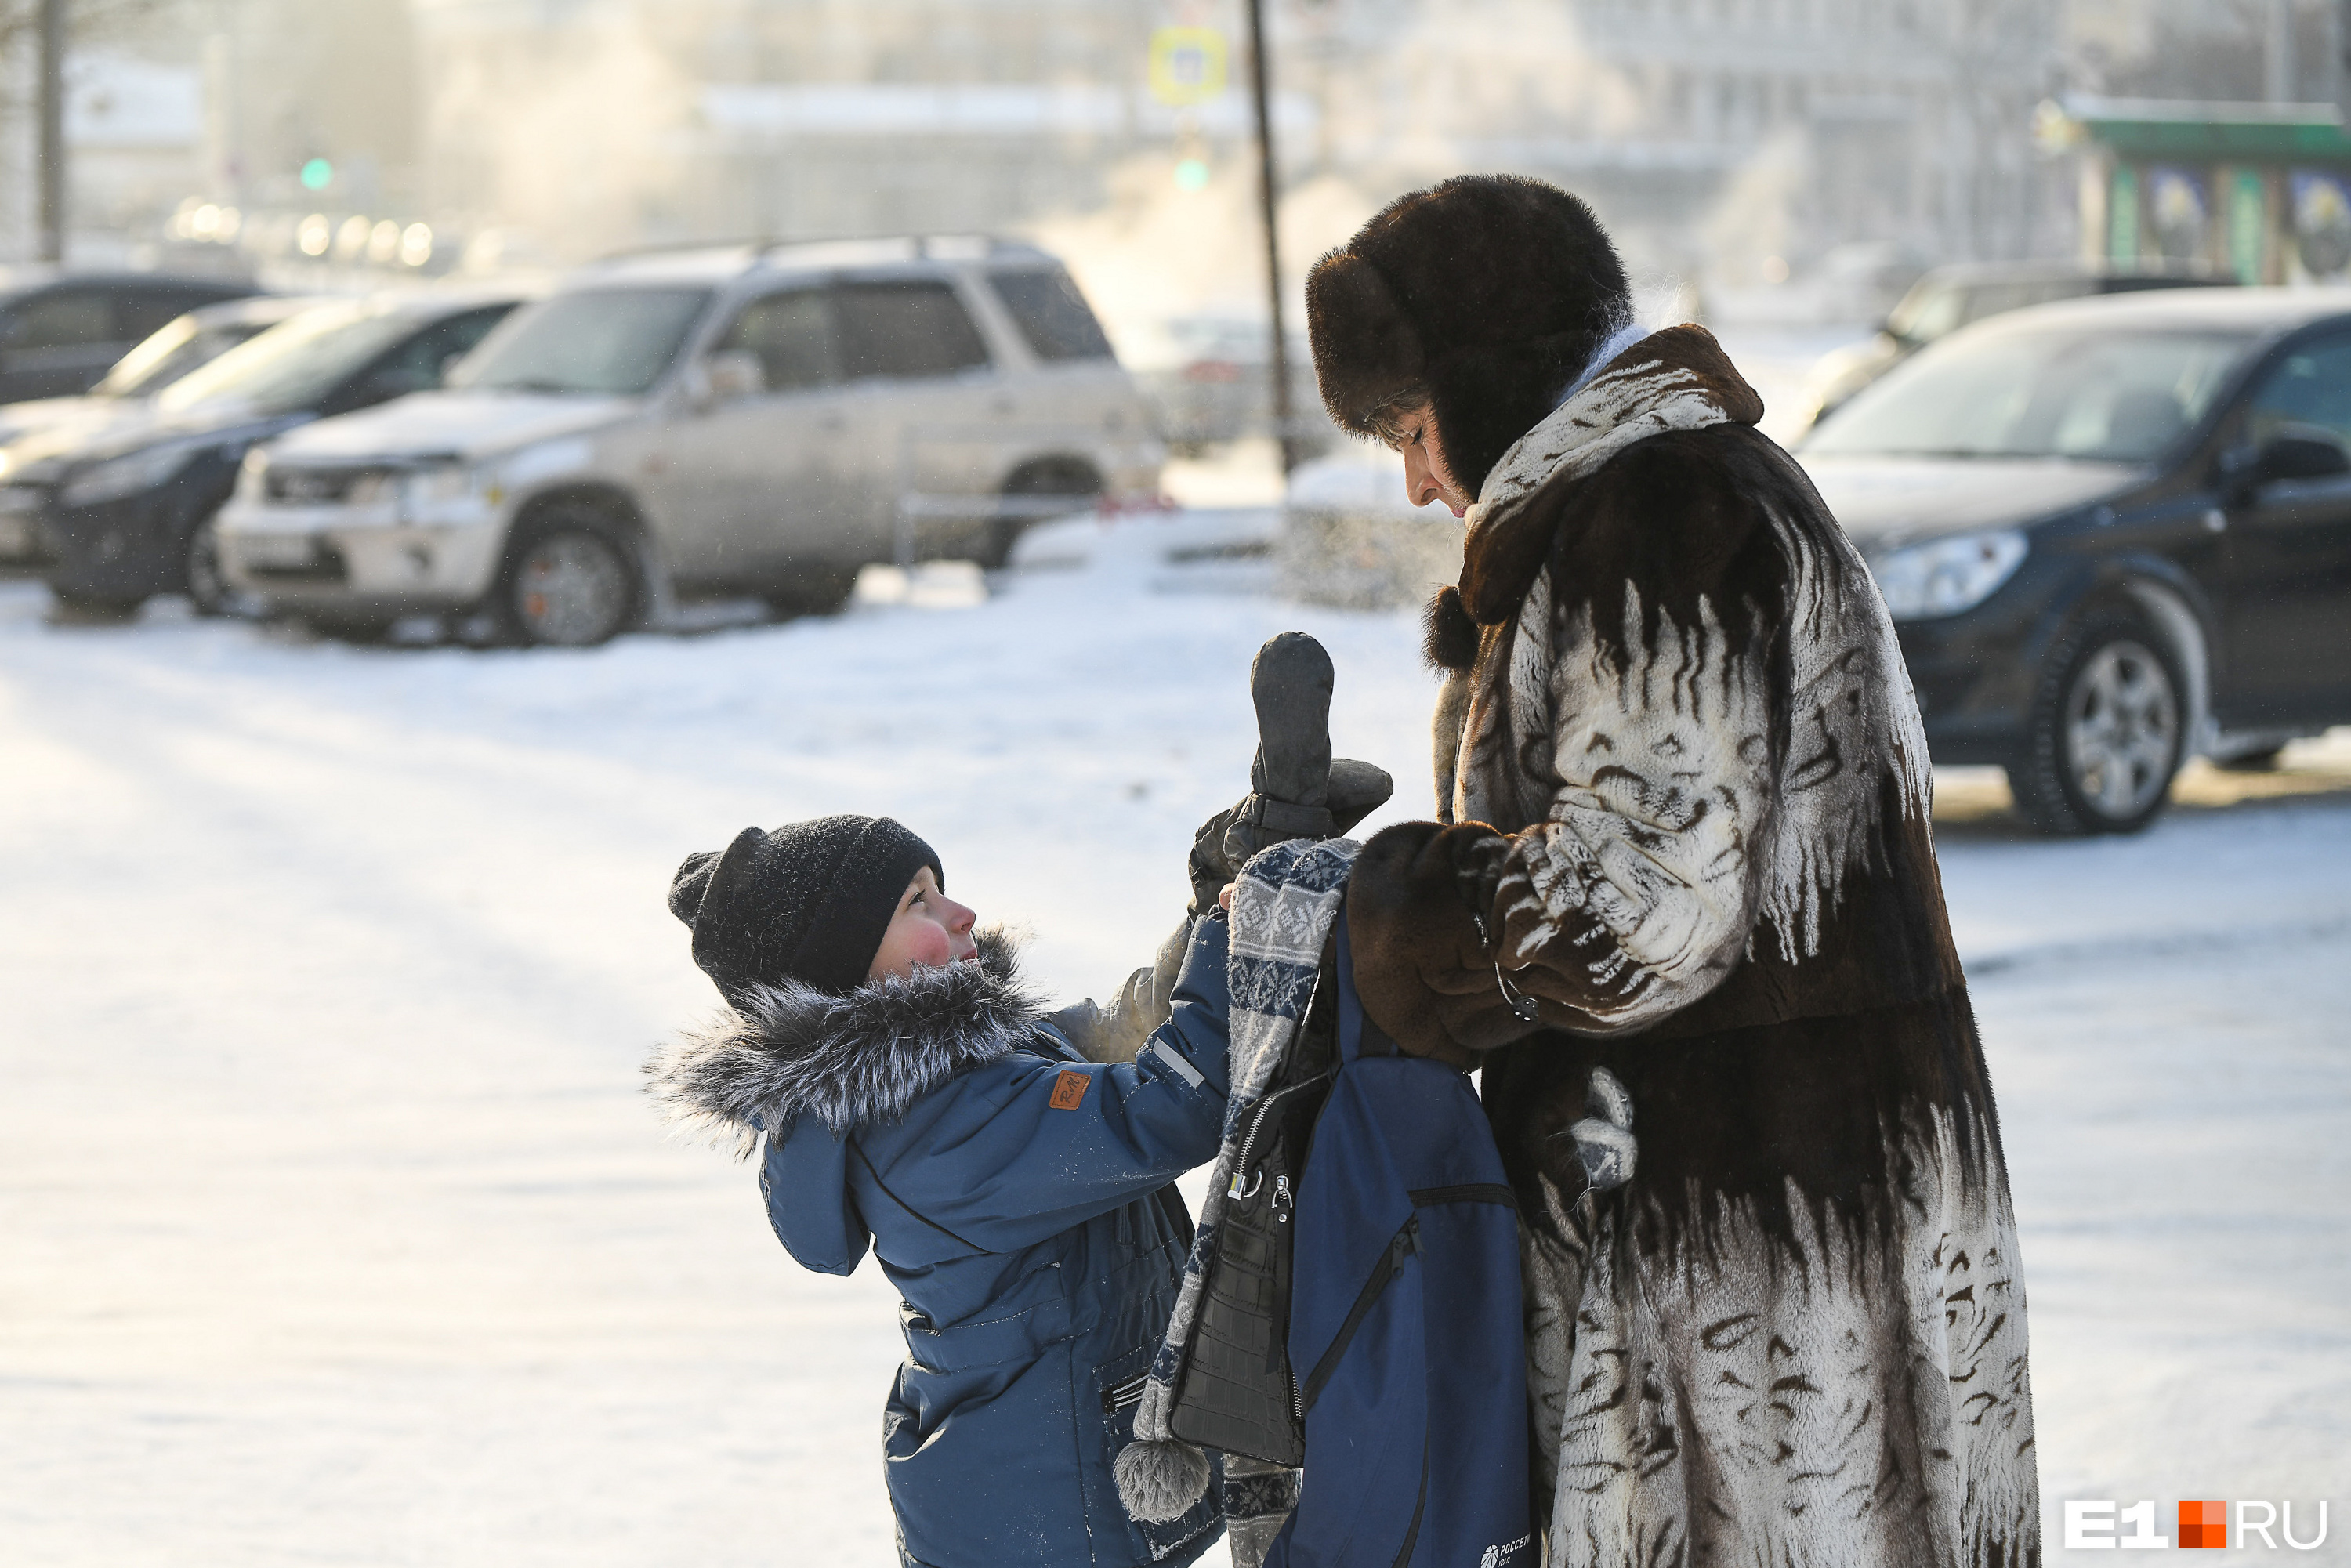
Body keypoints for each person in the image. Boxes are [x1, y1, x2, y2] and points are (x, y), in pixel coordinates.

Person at [1305, 176, 2041, 1566]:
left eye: (1411, 431)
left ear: (1484, 384)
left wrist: (1384, 912)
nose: (1413, 479)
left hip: (1748, 1227)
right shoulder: (1673, 495)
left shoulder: (1658, 520)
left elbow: (1638, 904)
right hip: (1787, 1184)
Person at [647, 813, 1232, 1568]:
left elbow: (1126, 1034)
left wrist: (1212, 911)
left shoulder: (965, 1067)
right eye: (916, 903)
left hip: (1052, 1493)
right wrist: (1237, 934)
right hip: (1043, 1521)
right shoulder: (933, 1129)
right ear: (845, 967)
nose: (961, 915)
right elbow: (1167, 1109)